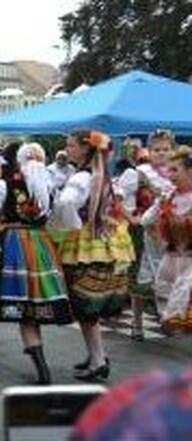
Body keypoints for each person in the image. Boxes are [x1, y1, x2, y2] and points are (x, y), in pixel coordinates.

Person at [0, 143, 74, 385]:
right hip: (41, 244)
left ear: (20, 162)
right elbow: (62, 218)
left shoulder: (5, 185)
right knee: (34, 304)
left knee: (20, 303)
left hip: (14, 243)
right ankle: (40, 363)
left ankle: (39, 362)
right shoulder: (51, 187)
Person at [54, 130, 134, 382]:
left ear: (85, 149)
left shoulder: (82, 176)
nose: (68, 150)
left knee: (84, 305)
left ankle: (98, 360)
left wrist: (70, 227)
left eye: (71, 146)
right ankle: (96, 355)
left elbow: (66, 204)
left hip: (87, 246)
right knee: (88, 307)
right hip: (107, 242)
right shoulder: (102, 175)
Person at [117, 130, 175, 340]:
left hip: (171, 233)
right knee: (141, 279)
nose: (162, 153)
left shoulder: (177, 172)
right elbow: (118, 198)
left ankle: (166, 316)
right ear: (149, 151)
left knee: (170, 277)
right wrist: (132, 218)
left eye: (166, 149)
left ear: (173, 150)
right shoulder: (138, 172)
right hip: (144, 232)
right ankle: (137, 322)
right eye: (157, 149)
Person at [140, 145, 192, 333]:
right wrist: (159, 209)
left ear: (189, 171)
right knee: (163, 289)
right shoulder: (168, 196)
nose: (169, 175)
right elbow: (146, 220)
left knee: (183, 290)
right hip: (172, 256)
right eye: (168, 170)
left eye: (175, 170)